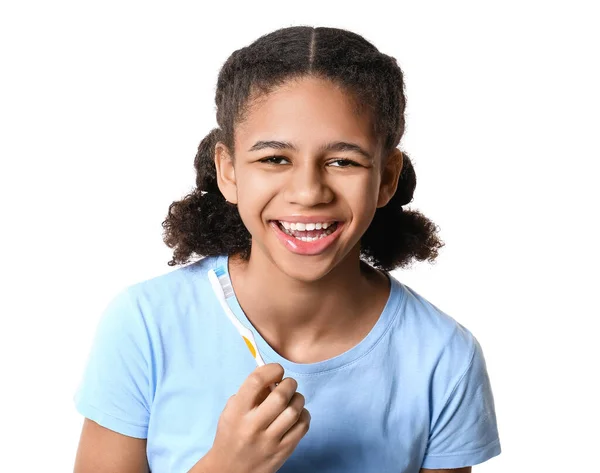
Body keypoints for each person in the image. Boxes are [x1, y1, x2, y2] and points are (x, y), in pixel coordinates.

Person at [73, 26, 501, 473]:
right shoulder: (145, 324)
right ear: (229, 171)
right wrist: (227, 466)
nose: (308, 191)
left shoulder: (443, 358)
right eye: (275, 159)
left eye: (343, 161)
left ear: (388, 178)